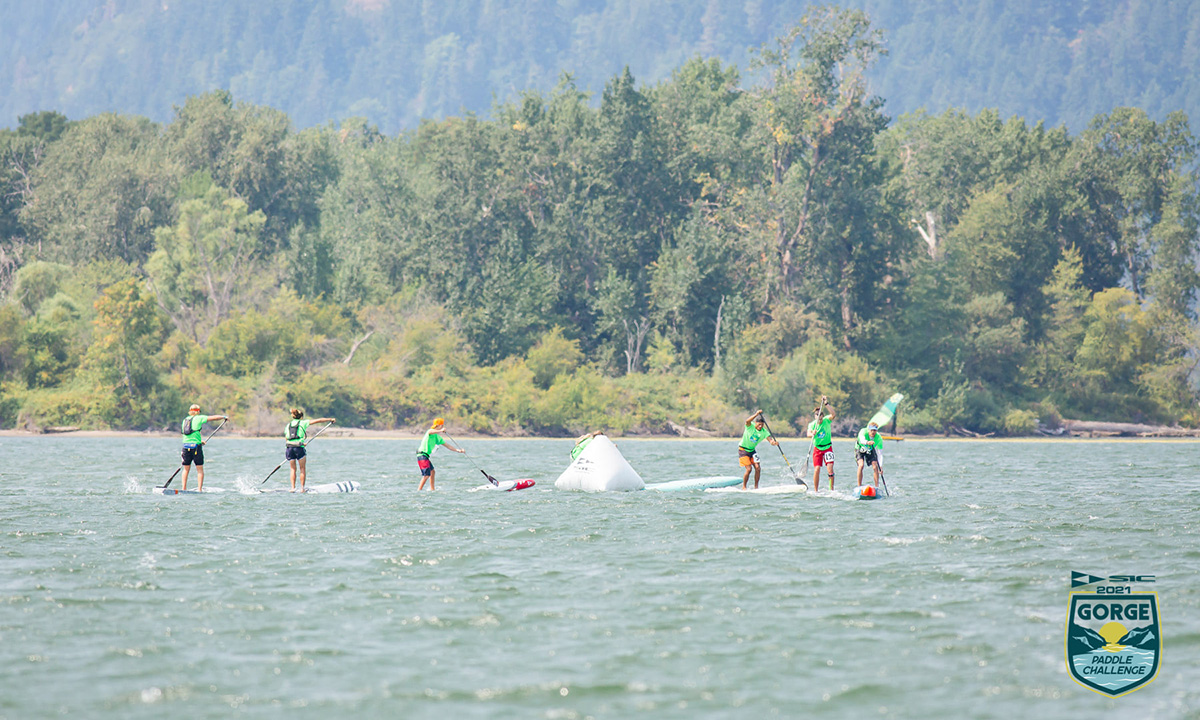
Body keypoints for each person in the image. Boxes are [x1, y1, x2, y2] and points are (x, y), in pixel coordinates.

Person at [180, 403, 229, 492]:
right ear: (198, 411)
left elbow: (189, 434)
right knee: (199, 469)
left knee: (186, 469)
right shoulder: (199, 418)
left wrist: (200, 441)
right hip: (195, 447)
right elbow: (213, 418)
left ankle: (183, 488)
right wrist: (223, 417)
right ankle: (199, 489)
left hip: (185, 446)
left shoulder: (185, 420)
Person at [285, 409, 336, 493]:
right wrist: (330, 419)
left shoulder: (288, 425)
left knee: (292, 469)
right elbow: (318, 420)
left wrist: (297, 444)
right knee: (302, 468)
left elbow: (287, 438)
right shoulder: (303, 422)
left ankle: (292, 488)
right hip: (299, 448)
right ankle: (302, 488)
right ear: (301, 417)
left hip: (289, 447)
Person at [416, 417, 464, 490]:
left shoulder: (438, 437)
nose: (443, 426)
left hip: (426, 456)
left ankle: (432, 489)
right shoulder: (430, 432)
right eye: (442, 425)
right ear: (438, 425)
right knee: (426, 475)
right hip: (421, 454)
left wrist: (458, 450)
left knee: (432, 471)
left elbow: (448, 446)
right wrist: (441, 430)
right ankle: (419, 490)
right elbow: (430, 431)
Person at [738, 409, 779, 489]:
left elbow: (770, 440)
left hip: (752, 451)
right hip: (743, 450)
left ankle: (756, 487)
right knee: (749, 469)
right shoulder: (750, 426)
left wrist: (774, 443)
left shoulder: (764, 432)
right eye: (759, 424)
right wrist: (756, 414)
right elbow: (747, 421)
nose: (760, 426)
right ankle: (744, 487)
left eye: (762, 425)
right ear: (755, 423)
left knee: (758, 468)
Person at [807, 395, 836, 491]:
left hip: (828, 448)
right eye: (818, 418)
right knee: (817, 469)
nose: (820, 420)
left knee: (830, 470)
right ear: (815, 417)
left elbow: (833, 414)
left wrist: (826, 403)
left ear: (823, 417)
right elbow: (808, 433)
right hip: (818, 449)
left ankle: (831, 490)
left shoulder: (827, 420)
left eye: (821, 418)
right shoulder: (812, 425)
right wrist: (812, 434)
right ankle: (816, 490)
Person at [855, 421, 883, 488]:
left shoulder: (879, 438)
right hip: (860, 448)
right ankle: (859, 486)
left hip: (870, 450)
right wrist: (867, 442)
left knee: (875, 466)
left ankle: (877, 487)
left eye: (875, 430)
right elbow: (862, 440)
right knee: (861, 465)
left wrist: (881, 466)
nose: (873, 432)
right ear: (868, 430)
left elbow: (880, 454)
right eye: (871, 430)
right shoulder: (863, 431)